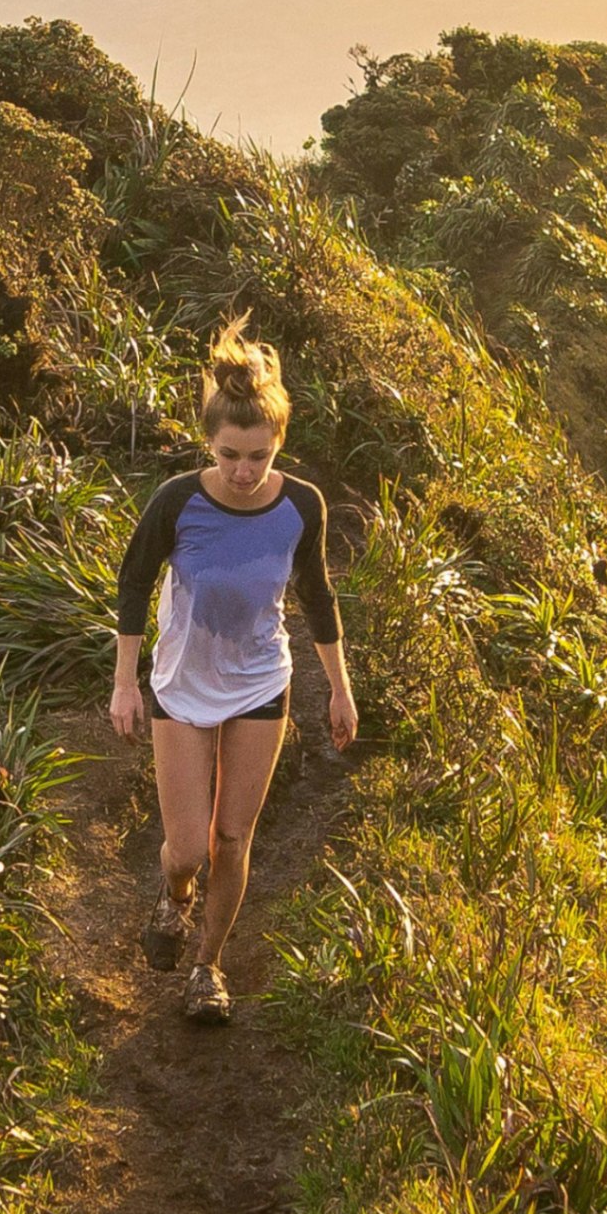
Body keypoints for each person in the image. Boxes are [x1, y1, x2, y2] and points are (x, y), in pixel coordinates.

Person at [110, 317, 356, 1024]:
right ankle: (174, 897)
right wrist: (126, 683)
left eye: (256, 455)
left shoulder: (301, 505)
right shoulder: (176, 501)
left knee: (230, 840)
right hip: (182, 684)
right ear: (207, 443)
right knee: (186, 849)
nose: (243, 472)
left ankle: (207, 968)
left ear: (277, 444)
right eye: (228, 455)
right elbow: (132, 584)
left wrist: (339, 691)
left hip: (259, 682)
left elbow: (317, 596)